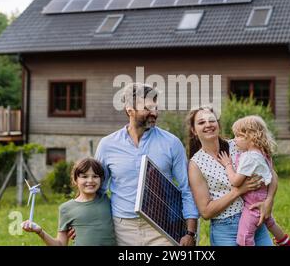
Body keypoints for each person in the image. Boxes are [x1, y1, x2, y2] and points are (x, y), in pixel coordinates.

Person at [70, 82, 199, 246]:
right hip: (121, 228)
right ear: (129, 109)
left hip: (164, 227)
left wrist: (190, 232)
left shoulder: (171, 143)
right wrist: (82, 219)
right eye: (148, 108)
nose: (154, 113)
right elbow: (97, 190)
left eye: (156, 108)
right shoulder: (107, 145)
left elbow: (186, 188)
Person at [187, 106, 277, 246]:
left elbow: (270, 172)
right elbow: (206, 211)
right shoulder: (196, 164)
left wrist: (269, 201)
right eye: (201, 122)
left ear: (218, 124)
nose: (208, 125)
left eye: (212, 120)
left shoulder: (239, 144)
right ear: (194, 130)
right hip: (226, 229)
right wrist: (238, 191)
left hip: (254, 221)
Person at [216, 115, 290, 246]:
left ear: (251, 137)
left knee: (244, 237)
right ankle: (287, 244)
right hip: (262, 198)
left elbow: (236, 182)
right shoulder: (262, 152)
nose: (235, 140)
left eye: (238, 136)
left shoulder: (250, 158)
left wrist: (227, 164)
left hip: (253, 205)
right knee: (271, 223)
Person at [22, 158, 116, 246]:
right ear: (75, 180)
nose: (90, 180)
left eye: (95, 176)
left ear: (101, 179)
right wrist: (40, 231)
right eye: (84, 176)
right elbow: (60, 244)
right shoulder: (66, 209)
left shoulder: (107, 200)